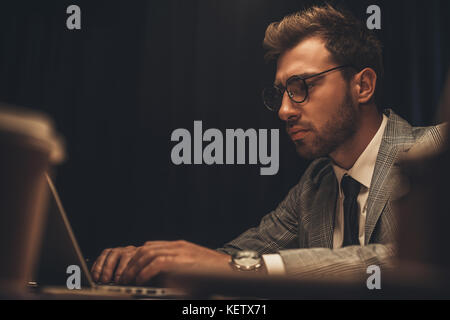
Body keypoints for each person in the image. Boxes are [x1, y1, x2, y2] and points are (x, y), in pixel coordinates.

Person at [91, 4, 446, 285]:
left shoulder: (437, 152)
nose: (284, 110)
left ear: (363, 86)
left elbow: (409, 262)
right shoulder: (316, 182)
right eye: (281, 93)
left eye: (302, 86)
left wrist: (246, 269)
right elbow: (238, 257)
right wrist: (153, 264)